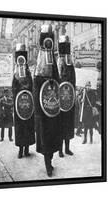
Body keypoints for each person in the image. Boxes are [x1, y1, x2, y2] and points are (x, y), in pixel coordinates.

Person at [34, 24, 61, 177]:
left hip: (53, 107)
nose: (49, 42)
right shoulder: (40, 58)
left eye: (51, 39)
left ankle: (50, 161)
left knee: (52, 135)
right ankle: (47, 166)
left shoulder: (54, 58)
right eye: (47, 39)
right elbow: (37, 81)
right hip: (43, 108)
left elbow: (57, 79)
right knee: (45, 136)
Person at [12, 43, 35, 158]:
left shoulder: (28, 73)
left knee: (28, 126)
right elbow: (14, 88)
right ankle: (20, 150)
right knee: (20, 127)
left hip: (28, 105)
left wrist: (26, 90)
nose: (21, 62)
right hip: (19, 106)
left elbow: (31, 85)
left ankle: (27, 149)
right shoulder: (15, 73)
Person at [57, 35, 76, 157]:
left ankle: (67, 148)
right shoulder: (58, 61)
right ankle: (59, 150)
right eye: (64, 47)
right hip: (60, 101)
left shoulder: (70, 62)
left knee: (68, 124)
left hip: (69, 98)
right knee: (60, 125)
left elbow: (73, 79)